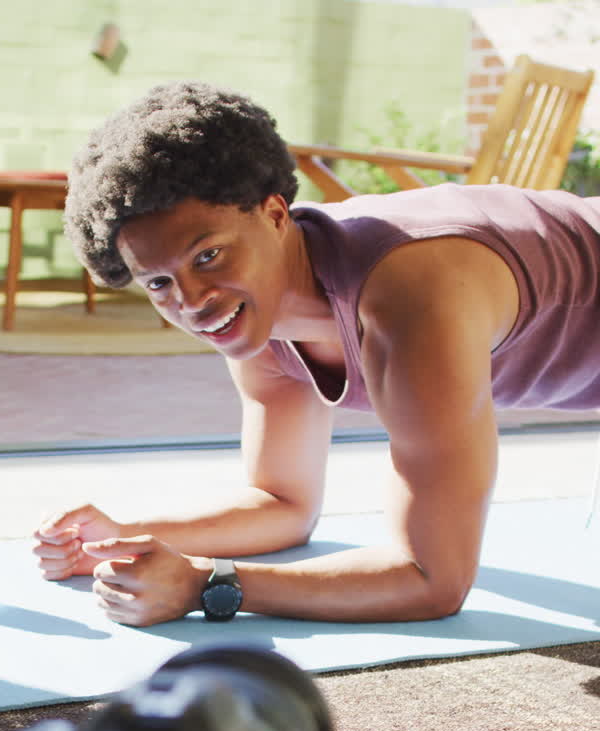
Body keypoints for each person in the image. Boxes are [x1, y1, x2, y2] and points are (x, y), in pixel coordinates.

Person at [33, 81, 600, 627]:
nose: (193, 302)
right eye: (159, 282)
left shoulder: (413, 299)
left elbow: (434, 580)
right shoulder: (253, 320)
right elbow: (282, 503)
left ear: (276, 215)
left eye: (208, 256)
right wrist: (122, 537)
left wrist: (207, 585)